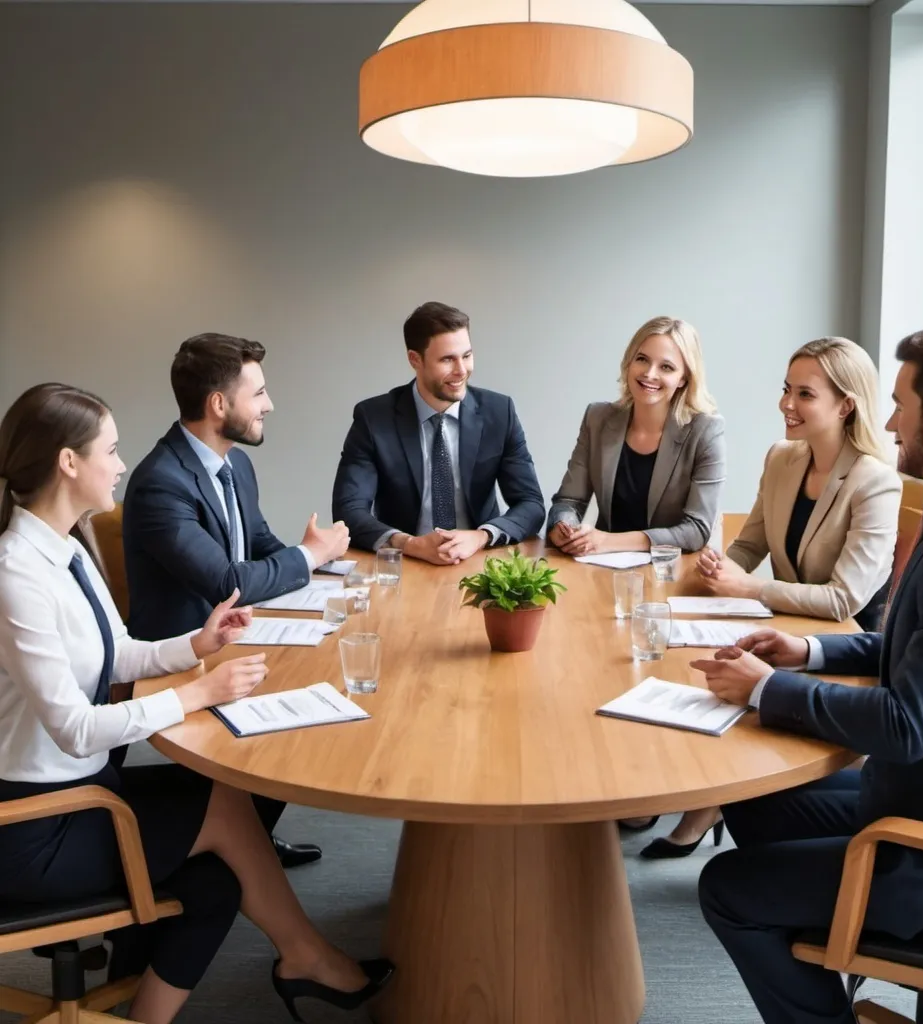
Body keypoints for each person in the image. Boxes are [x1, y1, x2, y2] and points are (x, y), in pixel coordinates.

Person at [0, 383, 394, 1024]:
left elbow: (119, 652)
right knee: (222, 810)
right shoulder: (16, 572)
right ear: (68, 463)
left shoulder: (66, 547)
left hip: (86, 793)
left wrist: (196, 643)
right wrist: (195, 695)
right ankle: (307, 959)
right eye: (112, 449)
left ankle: (266, 973)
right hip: (35, 826)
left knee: (218, 878)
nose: (123, 464)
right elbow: (74, 729)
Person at [689, 326, 923, 1024]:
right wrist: (803, 653)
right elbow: (914, 648)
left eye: (900, 403)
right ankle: (816, 927)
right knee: (753, 798)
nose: (891, 420)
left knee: (727, 887)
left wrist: (763, 689)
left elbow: (908, 724)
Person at [638, 337, 901, 860]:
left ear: (845, 405)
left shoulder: (875, 482)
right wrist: (716, 567)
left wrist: (750, 587)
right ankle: (699, 791)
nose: (786, 404)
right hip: (779, 627)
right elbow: (750, 544)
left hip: (841, 648)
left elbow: (844, 600)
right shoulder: (782, 459)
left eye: (805, 394)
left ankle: (709, 798)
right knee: (680, 660)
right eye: (786, 389)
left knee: (717, 673)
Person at [123, 333, 348, 869]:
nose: (269, 404)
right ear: (219, 404)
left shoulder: (235, 464)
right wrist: (308, 557)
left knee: (319, 694)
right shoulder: (162, 482)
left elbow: (262, 548)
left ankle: (244, 839)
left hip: (233, 635)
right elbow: (226, 579)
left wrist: (334, 566)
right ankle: (231, 847)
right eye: (260, 393)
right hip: (181, 656)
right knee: (301, 714)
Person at [332, 301, 546, 563]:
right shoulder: (373, 418)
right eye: (447, 359)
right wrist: (410, 544)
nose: (461, 371)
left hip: (480, 559)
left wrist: (481, 536)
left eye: (466, 356)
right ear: (415, 359)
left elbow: (531, 504)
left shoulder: (500, 412)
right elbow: (349, 510)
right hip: (406, 561)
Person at [546, 316, 725, 557]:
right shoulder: (597, 418)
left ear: (683, 378)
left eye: (666, 367)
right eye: (642, 359)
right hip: (604, 570)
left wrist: (610, 542)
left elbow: (696, 529)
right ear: (629, 362)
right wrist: (563, 527)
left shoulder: (706, 431)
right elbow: (569, 500)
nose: (650, 374)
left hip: (671, 571)